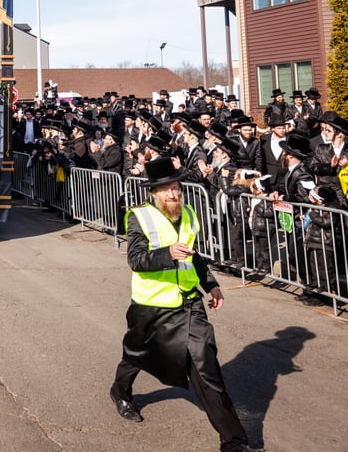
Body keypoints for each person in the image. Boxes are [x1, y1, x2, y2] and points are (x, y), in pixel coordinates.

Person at [110, 156, 261, 452]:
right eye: (165, 189)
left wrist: (212, 285)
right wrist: (168, 253)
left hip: (189, 305)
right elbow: (136, 260)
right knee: (138, 355)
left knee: (205, 368)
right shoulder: (138, 216)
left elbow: (195, 256)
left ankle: (233, 442)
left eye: (175, 188)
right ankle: (120, 392)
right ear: (153, 193)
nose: (172, 194)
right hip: (151, 306)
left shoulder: (189, 213)